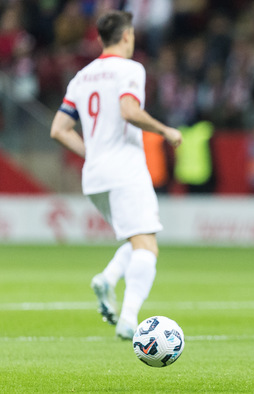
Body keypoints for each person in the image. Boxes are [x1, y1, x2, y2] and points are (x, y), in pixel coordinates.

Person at [50, 10, 182, 340]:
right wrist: (165, 130)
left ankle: (108, 278)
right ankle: (129, 319)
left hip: (94, 176)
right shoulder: (130, 68)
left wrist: (92, 153)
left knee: (137, 237)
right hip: (125, 169)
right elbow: (129, 110)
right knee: (147, 247)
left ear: (99, 39)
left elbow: (59, 129)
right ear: (127, 36)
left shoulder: (82, 76)